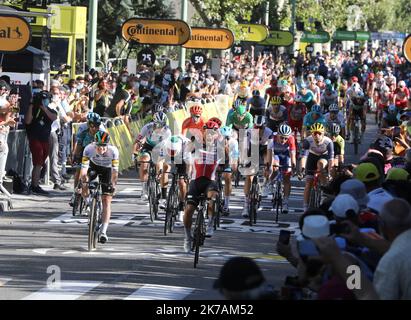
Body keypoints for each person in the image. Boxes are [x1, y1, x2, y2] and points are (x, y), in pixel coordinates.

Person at [183, 120, 223, 253]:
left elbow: (231, 160)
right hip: (196, 181)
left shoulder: (220, 146)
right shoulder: (197, 143)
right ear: (204, 132)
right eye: (208, 132)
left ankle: (211, 223)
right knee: (188, 210)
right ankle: (187, 237)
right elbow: (185, 151)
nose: (210, 135)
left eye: (213, 133)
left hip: (210, 182)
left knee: (213, 199)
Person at [80, 131, 119, 243]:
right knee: (84, 181)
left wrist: (113, 184)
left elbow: (115, 172)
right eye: (98, 146)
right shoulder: (88, 149)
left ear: (107, 145)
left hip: (107, 170)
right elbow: (84, 168)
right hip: (93, 167)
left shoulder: (114, 151)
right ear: (94, 144)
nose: (101, 149)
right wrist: (84, 179)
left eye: (103, 146)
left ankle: (103, 232)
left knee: (107, 200)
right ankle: (88, 204)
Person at [133, 111, 172, 203]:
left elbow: (164, 150)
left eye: (163, 125)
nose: (161, 127)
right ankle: (144, 189)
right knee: (144, 160)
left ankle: (159, 183)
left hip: (161, 148)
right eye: (158, 125)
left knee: (159, 164)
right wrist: (134, 154)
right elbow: (137, 141)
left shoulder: (167, 131)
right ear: (154, 123)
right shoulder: (147, 127)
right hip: (148, 146)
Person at [25, 90, 58, 195]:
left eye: (46, 99)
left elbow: (53, 117)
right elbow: (27, 121)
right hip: (35, 138)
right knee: (38, 162)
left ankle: (35, 183)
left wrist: (44, 108)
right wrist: (31, 104)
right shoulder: (33, 109)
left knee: (40, 163)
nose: (45, 101)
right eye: (44, 99)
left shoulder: (51, 110)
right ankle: (34, 185)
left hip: (45, 139)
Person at [300, 122, 334, 212]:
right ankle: (305, 206)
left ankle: (324, 191)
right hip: (312, 156)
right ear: (312, 134)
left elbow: (331, 160)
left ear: (323, 134)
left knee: (320, 165)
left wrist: (330, 173)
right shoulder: (308, 141)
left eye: (320, 133)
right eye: (315, 133)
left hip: (323, 156)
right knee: (308, 183)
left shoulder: (328, 142)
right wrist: (303, 169)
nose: (317, 135)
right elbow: (304, 157)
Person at [266, 123, 296, 213]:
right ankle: (270, 182)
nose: (283, 140)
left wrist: (293, 166)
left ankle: (286, 202)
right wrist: (269, 166)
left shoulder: (291, 139)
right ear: (277, 135)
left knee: (287, 178)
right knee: (274, 168)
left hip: (286, 155)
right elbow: (269, 153)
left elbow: (292, 154)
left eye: (285, 138)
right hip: (275, 154)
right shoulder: (272, 137)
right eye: (282, 137)